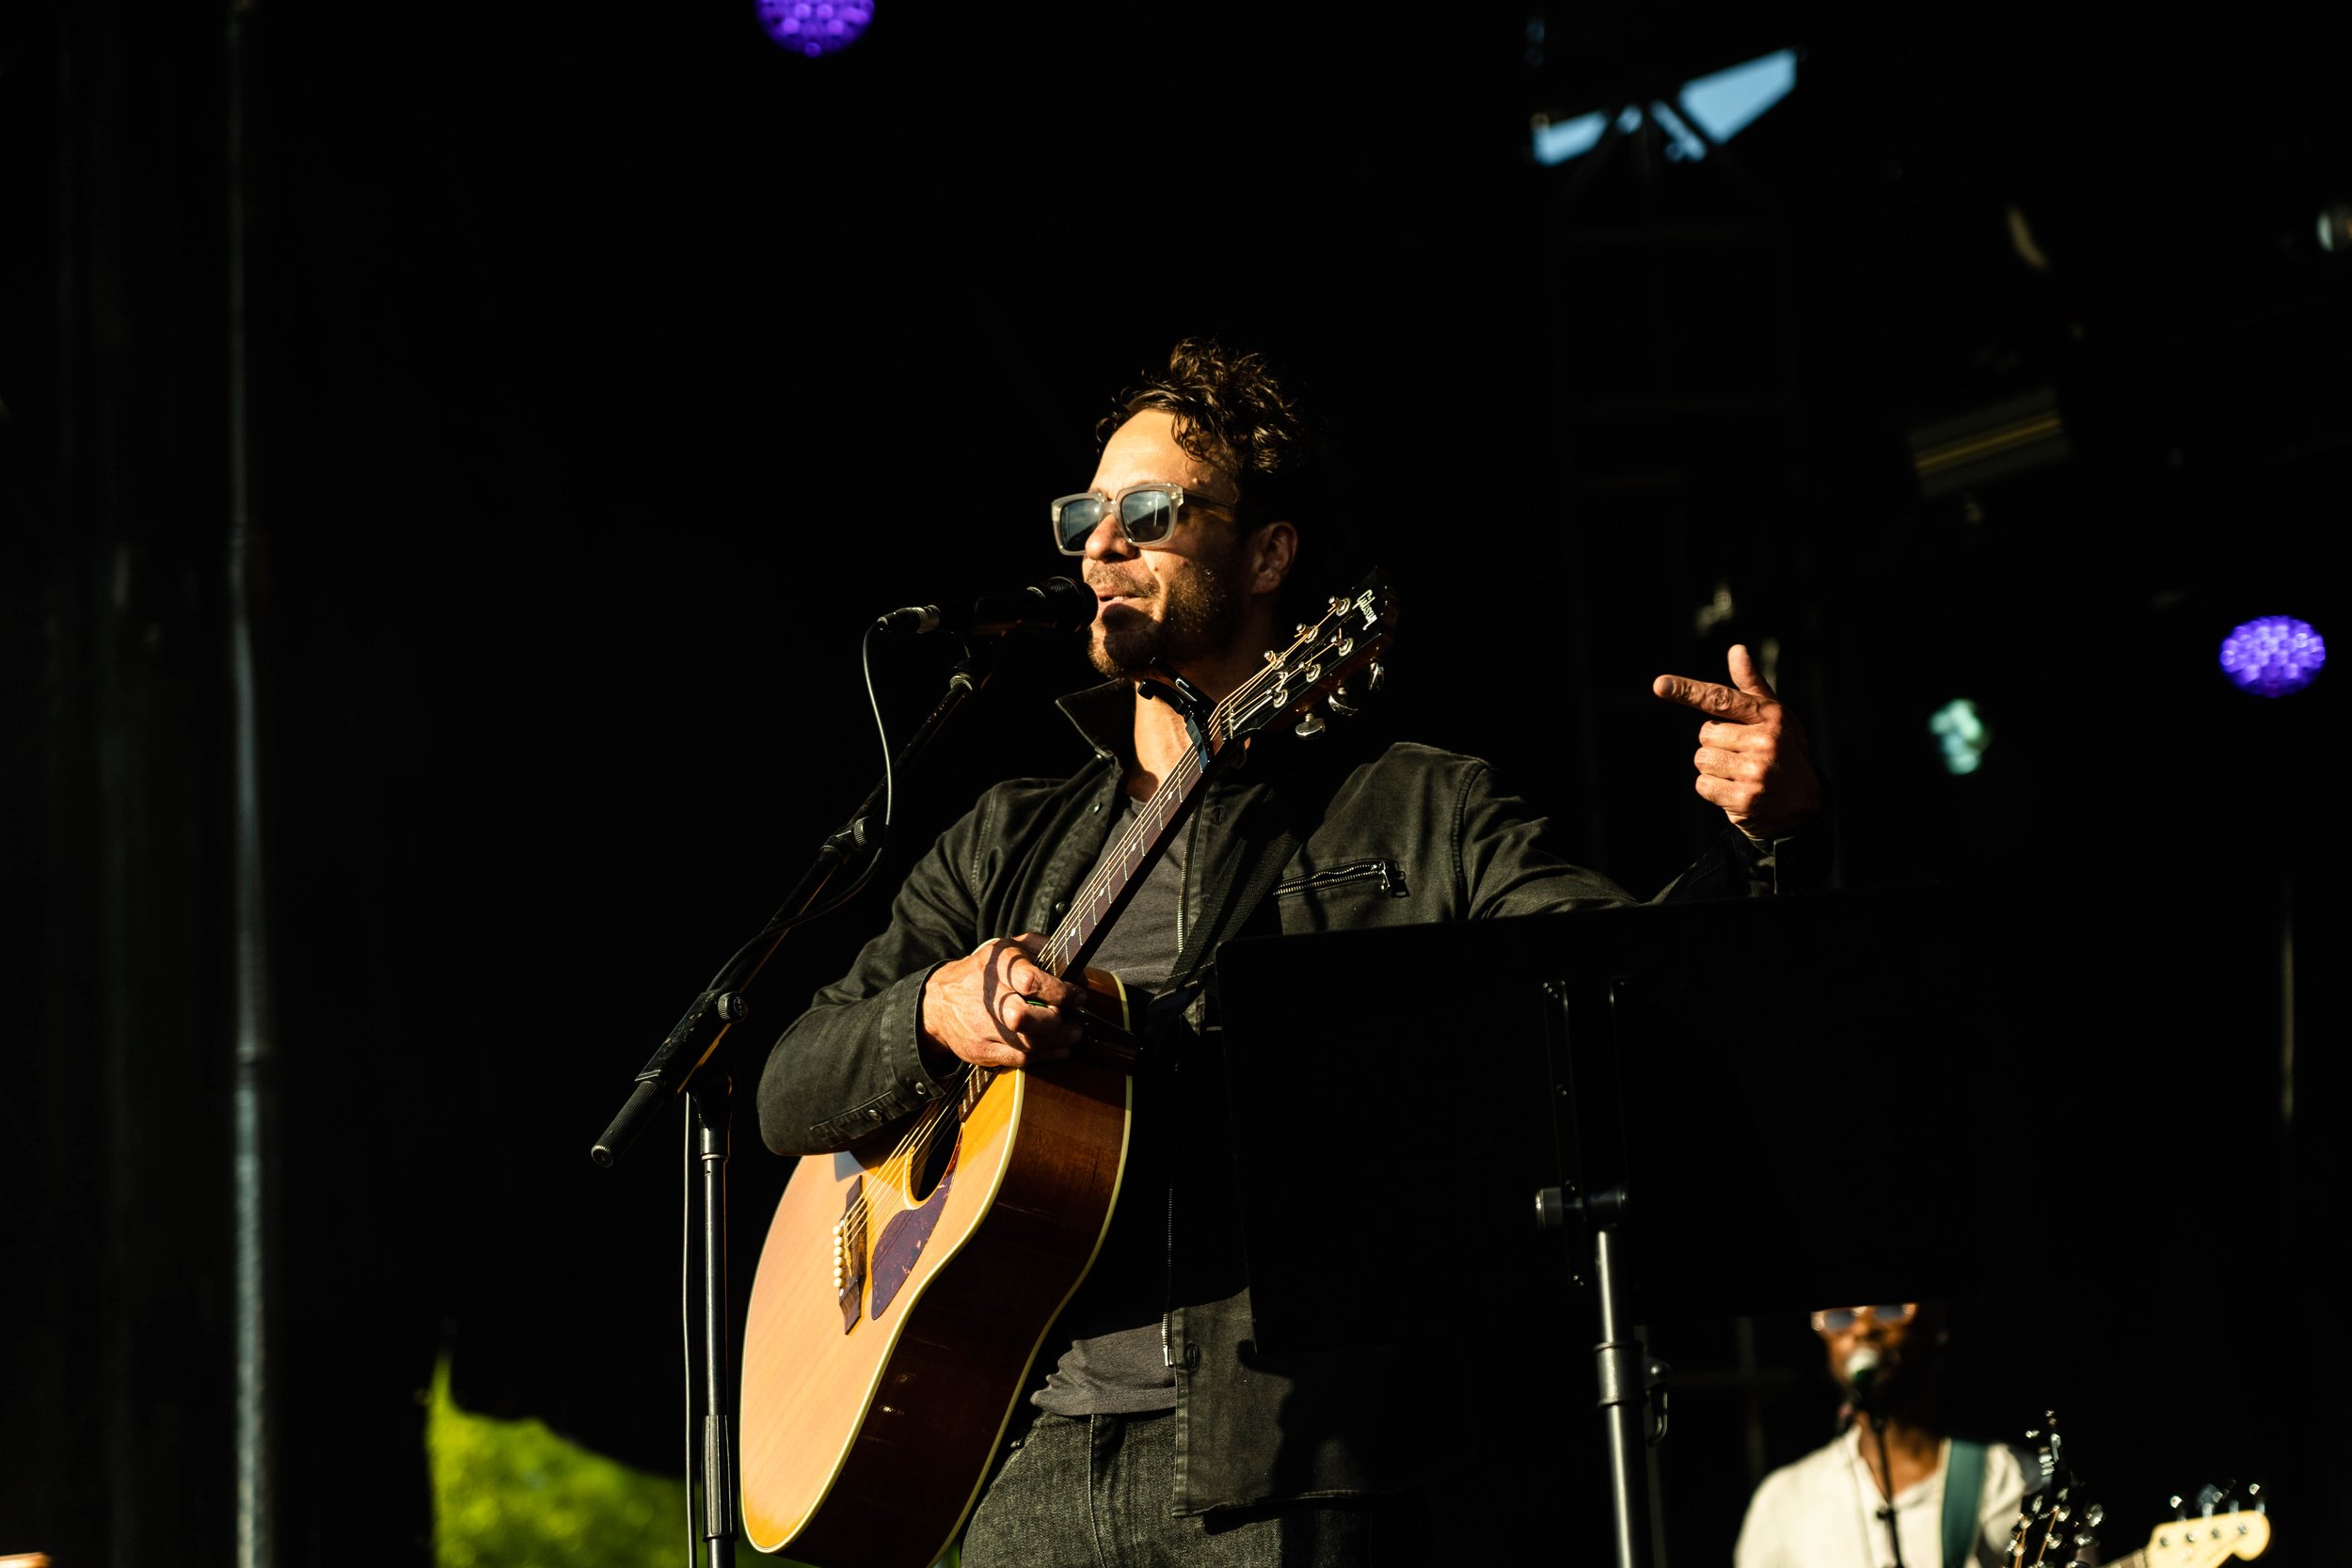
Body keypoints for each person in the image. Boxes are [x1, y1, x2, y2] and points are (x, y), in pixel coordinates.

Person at [755, 337, 1830, 1567]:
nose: (1102, 544)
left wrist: (1760, 842)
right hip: (1019, 1463)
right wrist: (936, 1008)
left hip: (1288, 1467)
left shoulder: (1418, 808)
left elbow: (1626, 991)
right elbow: (794, 1082)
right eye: (1086, 516)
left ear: (1269, 554)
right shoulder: (1008, 834)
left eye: (1148, 511)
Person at [1733, 1303, 2035, 1568]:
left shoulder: (2016, 1480)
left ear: (1936, 1327)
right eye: (1840, 1316)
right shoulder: (1783, 1498)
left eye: (1890, 1309)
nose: (1863, 1328)